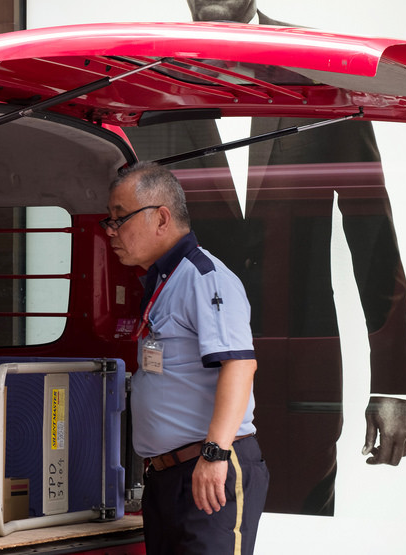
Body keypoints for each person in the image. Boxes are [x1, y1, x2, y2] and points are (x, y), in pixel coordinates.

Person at [128, 0, 406, 515]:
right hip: (180, 394)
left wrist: (391, 382)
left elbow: (374, 243)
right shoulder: (138, 87)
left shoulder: (322, 74)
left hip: (298, 385)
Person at [103, 162, 269, 555]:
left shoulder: (205, 277)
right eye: (108, 220)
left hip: (210, 469)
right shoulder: (164, 278)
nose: (111, 231)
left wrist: (214, 454)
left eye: (119, 218)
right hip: (169, 477)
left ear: (161, 217)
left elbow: (240, 365)